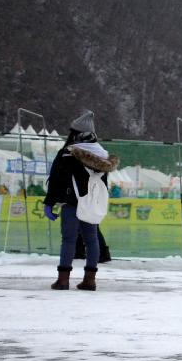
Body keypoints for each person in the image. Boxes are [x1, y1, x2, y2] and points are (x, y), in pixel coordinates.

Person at [43, 111, 119, 291]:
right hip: (90, 204)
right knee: (91, 240)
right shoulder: (103, 156)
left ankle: (62, 280)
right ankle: (90, 280)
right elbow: (102, 184)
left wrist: (49, 202)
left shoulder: (67, 154)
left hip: (71, 203)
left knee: (68, 240)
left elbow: (56, 180)